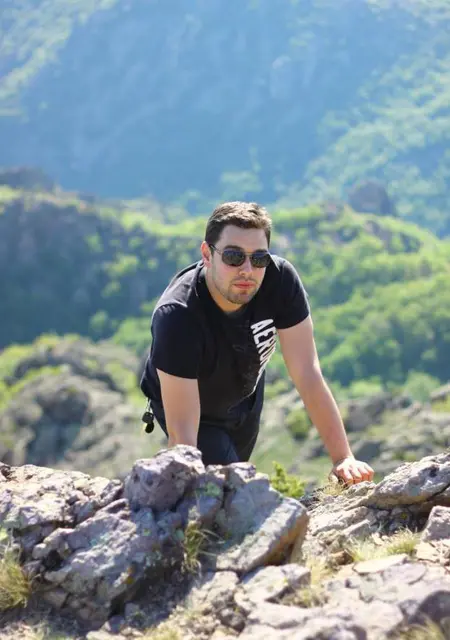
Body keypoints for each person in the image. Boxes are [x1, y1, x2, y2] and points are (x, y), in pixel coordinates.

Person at [140, 202, 374, 486]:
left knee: (237, 485)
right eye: (233, 256)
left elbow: (307, 373)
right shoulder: (178, 316)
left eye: (259, 258)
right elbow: (183, 437)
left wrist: (343, 458)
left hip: (246, 397)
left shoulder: (280, 281)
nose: (247, 270)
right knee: (224, 489)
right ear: (207, 255)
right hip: (195, 411)